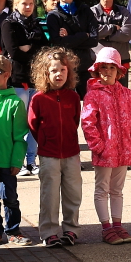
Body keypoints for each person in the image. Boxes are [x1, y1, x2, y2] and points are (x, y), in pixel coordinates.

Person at [81, 47, 131, 245]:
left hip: (123, 150)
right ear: (97, 70)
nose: (107, 71)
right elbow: (88, 122)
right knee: (102, 189)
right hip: (105, 151)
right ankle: (106, 227)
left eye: (111, 68)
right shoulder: (93, 94)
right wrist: (98, 146)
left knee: (117, 190)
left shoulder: (126, 94)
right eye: (103, 67)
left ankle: (117, 224)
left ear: (119, 71)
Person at [28, 47, 82, 248]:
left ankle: (71, 229)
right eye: (53, 70)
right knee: (49, 195)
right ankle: (49, 232)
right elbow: (33, 124)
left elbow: (75, 121)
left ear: (68, 73)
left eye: (62, 70)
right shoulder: (39, 98)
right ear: (45, 73)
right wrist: (45, 141)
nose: (58, 74)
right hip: (49, 155)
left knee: (73, 193)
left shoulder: (73, 97)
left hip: (71, 153)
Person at [0, 55, 32, 246]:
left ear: (6, 75)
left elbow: (20, 136)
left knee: (10, 197)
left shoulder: (15, 102)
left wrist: (16, 160)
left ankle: (13, 230)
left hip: (7, 160)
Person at [0, 0, 50, 176]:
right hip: (17, 79)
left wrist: (28, 48)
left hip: (35, 79)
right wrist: (31, 50)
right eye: (24, 3)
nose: (28, 7)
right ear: (16, 4)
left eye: (31, 3)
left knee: (34, 123)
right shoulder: (9, 24)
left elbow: (43, 50)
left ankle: (31, 161)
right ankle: (18, 162)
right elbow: (14, 53)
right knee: (19, 123)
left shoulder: (37, 24)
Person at [46, 0, 99, 100]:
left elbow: (94, 39)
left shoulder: (85, 10)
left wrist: (69, 38)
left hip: (85, 65)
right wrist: (83, 35)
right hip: (64, 67)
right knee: (66, 103)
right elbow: (58, 43)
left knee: (88, 103)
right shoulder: (53, 16)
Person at [90, 0, 131, 88]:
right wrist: (113, 28)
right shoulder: (91, 13)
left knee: (121, 97)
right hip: (98, 63)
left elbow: (127, 34)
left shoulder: (124, 12)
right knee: (98, 96)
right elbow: (93, 32)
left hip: (121, 63)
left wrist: (105, 37)